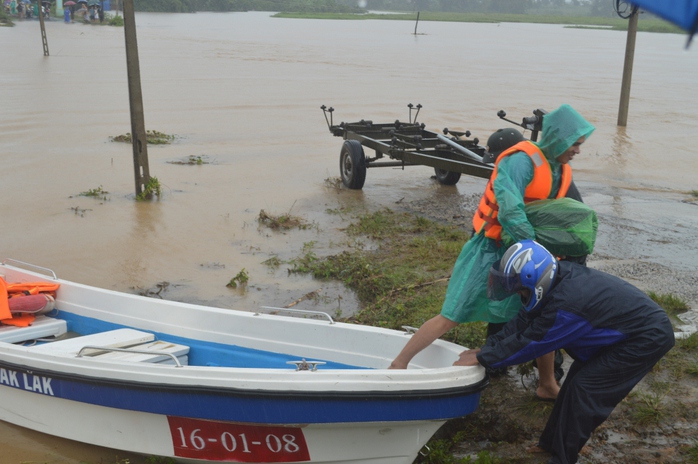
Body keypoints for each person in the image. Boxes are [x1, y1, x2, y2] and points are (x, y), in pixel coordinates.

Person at [389, 104, 595, 402]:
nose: (577, 150)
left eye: (580, 144)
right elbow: (510, 209)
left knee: (542, 316)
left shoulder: (558, 168)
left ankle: (547, 384)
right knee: (453, 313)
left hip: (527, 253)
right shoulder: (520, 162)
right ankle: (399, 362)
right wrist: (532, 247)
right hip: (492, 249)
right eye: (574, 143)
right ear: (558, 138)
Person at [455, 240, 674, 464]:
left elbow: (532, 343)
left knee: (584, 390)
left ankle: (562, 459)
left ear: (535, 280)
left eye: (519, 288)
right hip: (624, 332)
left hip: (645, 337)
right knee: (573, 383)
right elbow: (522, 321)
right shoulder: (555, 280)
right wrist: (488, 347)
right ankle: (548, 446)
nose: (519, 293)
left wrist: (485, 357)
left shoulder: (566, 306)